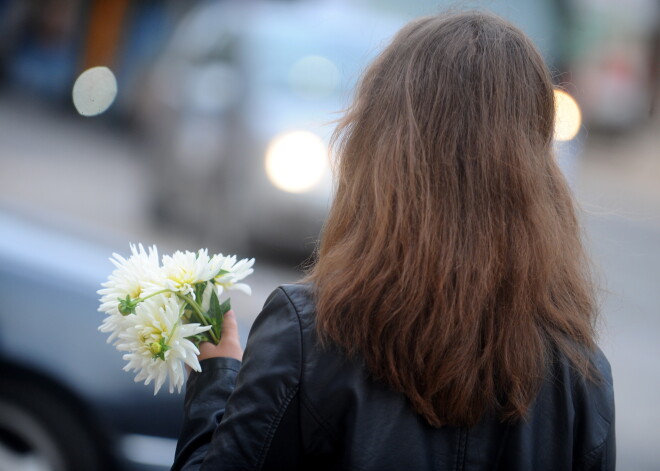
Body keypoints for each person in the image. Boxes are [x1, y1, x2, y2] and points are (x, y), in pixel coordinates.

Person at [172, 11, 615, 471]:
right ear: (536, 172)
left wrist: (215, 379)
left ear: (378, 150)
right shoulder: (582, 378)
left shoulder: (309, 335)